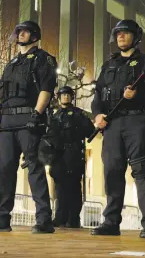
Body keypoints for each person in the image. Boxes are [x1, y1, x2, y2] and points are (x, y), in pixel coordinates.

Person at [91, 20, 145, 239]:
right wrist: (98, 115)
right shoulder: (109, 65)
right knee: (112, 171)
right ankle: (111, 222)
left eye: (125, 34)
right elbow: (98, 96)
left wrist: (139, 95)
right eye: (118, 34)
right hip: (113, 126)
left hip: (138, 123)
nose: (120, 37)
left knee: (143, 171)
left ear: (135, 37)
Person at [0, 21, 57, 233]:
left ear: (34, 35)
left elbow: (46, 89)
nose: (20, 35)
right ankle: (1, 218)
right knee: (4, 169)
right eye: (18, 32)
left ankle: (44, 220)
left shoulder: (43, 59)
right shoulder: (11, 63)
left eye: (24, 32)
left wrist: (36, 114)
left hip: (29, 120)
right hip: (7, 123)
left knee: (34, 168)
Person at [47, 86, 93, 228]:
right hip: (58, 154)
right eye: (63, 95)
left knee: (73, 186)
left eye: (68, 95)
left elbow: (90, 132)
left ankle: (73, 218)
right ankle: (60, 216)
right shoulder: (54, 115)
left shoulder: (79, 114)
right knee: (60, 186)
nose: (65, 97)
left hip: (73, 153)